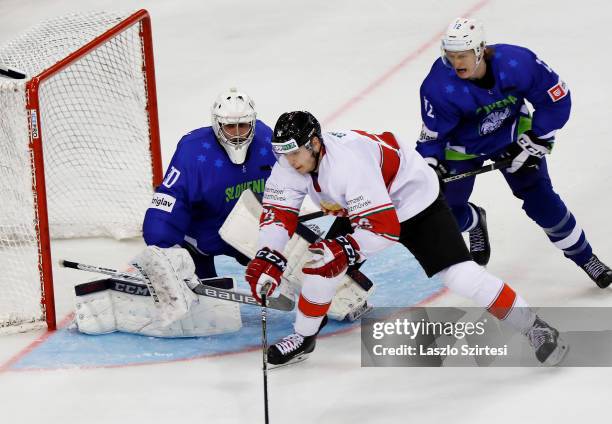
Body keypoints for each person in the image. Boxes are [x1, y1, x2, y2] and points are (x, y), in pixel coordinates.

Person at [245, 111, 568, 367]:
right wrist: (268, 255)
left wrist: (344, 248)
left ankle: (535, 326)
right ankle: (304, 337)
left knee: (460, 276)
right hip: (363, 206)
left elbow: (384, 229)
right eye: (283, 155)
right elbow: (278, 213)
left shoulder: (347, 166)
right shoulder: (290, 164)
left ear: (315, 143)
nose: (290, 162)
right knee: (319, 266)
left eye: (295, 153)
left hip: (413, 201)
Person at [415, 17, 612, 287]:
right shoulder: (438, 85)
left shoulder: (517, 62)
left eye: (461, 55)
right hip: (463, 148)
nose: (455, 62)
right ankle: (474, 221)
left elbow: (556, 99)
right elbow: (433, 134)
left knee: (543, 203)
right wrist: (430, 164)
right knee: (445, 216)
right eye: (449, 56)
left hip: (514, 137)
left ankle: (587, 258)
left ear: (480, 50)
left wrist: (539, 136)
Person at [143, 87, 276, 279]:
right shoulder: (193, 152)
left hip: (246, 232)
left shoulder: (265, 140)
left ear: (253, 123)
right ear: (217, 124)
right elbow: (169, 201)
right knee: (201, 297)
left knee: (287, 254)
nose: (238, 134)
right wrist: (164, 253)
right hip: (200, 238)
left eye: (244, 125)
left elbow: (289, 187)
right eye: (230, 127)